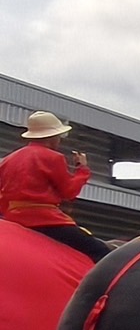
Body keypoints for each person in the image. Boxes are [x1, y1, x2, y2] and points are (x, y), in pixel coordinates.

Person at [0, 111, 111, 262]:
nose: (59, 140)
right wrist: (82, 170)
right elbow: (69, 192)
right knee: (100, 251)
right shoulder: (53, 157)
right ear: (52, 138)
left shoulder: (8, 159)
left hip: (12, 218)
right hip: (45, 220)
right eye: (59, 136)